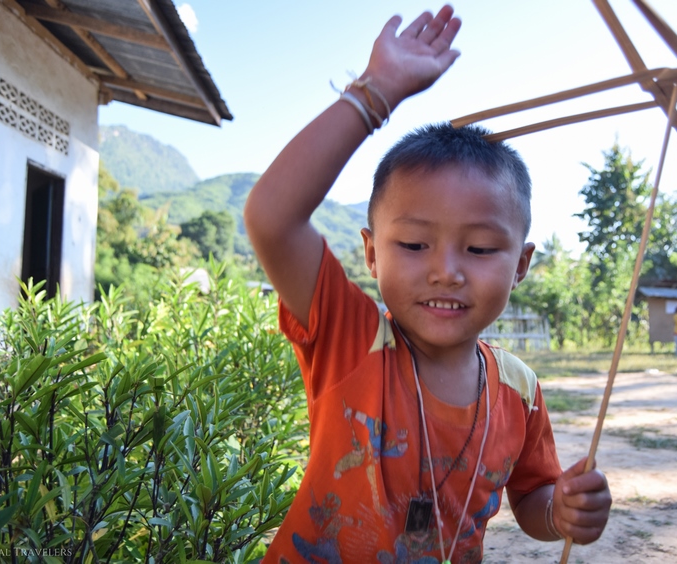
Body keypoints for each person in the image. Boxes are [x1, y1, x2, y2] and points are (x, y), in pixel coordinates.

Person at [244, 6, 611, 562]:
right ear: (371, 251)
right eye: (414, 245)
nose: (446, 270)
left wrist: (560, 511)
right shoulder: (352, 342)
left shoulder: (519, 391)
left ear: (520, 264)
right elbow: (272, 216)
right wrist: (375, 94)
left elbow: (531, 496)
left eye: (481, 248)